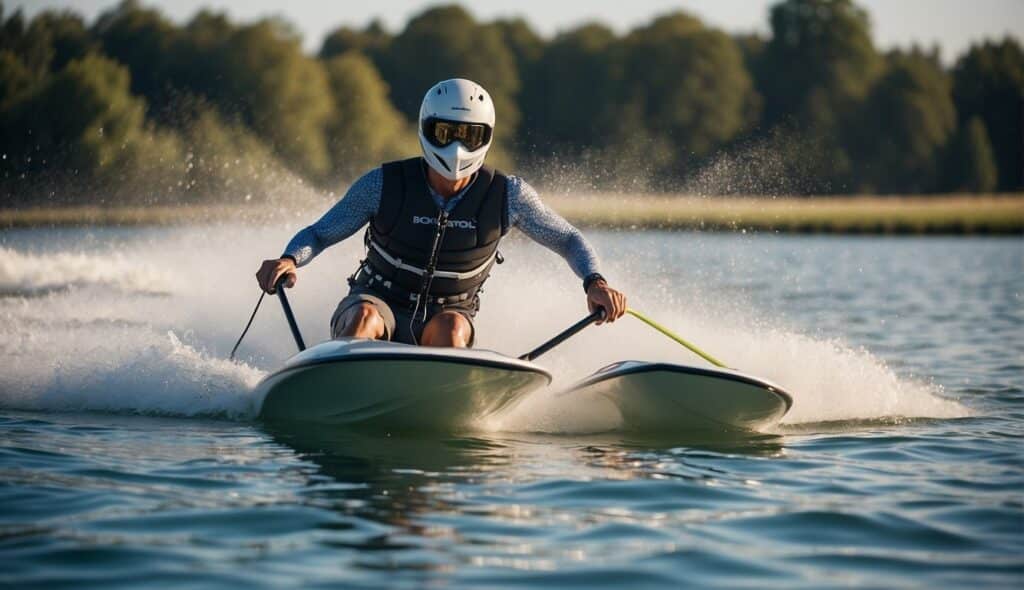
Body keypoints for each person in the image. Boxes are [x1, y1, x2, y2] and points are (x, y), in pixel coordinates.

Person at [256, 78, 626, 348]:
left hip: (448, 315)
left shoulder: (509, 195)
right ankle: (346, 378)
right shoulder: (382, 183)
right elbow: (321, 233)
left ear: (486, 137)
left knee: (449, 331)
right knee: (364, 319)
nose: (458, 147)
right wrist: (290, 259)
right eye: (446, 132)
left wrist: (596, 283)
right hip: (375, 301)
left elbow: (567, 238)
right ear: (426, 129)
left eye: (470, 135)